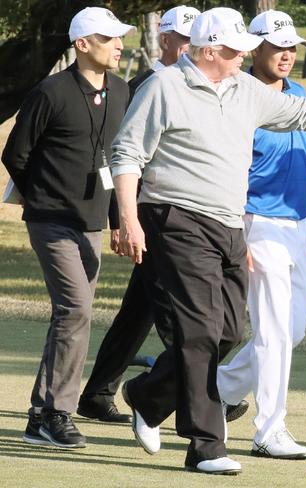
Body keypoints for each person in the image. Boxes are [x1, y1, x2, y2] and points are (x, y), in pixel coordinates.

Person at [111, 7, 306, 475]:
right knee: (199, 330)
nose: (244, 56)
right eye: (237, 50)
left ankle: (148, 394)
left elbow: (305, 113)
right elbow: (126, 152)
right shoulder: (164, 88)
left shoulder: (245, 91)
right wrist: (128, 218)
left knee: (227, 332)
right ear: (210, 51)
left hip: (228, 224)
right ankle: (206, 445)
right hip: (175, 216)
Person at [1, 7, 133, 448]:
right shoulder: (50, 92)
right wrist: (42, 200)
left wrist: (118, 221)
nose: (119, 45)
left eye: (120, 38)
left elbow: (119, 162)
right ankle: (59, 411)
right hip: (51, 221)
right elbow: (15, 154)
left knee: (69, 316)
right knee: (76, 310)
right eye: (109, 38)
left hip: (93, 221)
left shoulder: (122, 90)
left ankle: (39, 414)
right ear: (82, 45)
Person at [76, 4, 201, 425]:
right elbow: (119, 156)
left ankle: (96, 393)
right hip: (150, 213)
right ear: (164, 39)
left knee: (140, 309)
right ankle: (198, 391)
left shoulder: (196, 84)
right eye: (184, 38)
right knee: (172, 310)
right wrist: (121, 216)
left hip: (175, 212)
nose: (191, 46)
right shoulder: (145, 84)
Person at [216, 9, 306, 460]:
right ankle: (269, 430)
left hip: (299, 224)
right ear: (252, 49)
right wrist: (238, 235)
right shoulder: (240, 96)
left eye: (292, 47)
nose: (286, 55)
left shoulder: (299, 94)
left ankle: (212, 389)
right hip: (257, 221)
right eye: (277, 46)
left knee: (291, 329)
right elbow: (229, 170)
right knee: (274, 331)